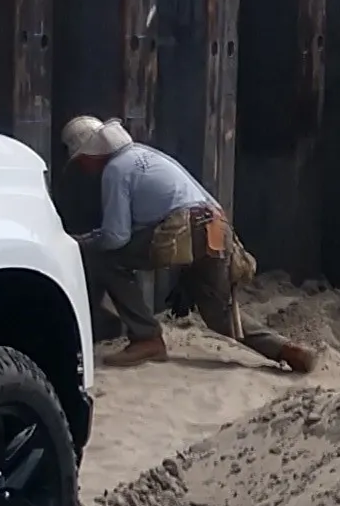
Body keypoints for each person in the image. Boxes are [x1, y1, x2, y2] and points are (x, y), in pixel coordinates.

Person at [59, 117, 314, 373]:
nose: (81, 166)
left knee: (103, 258)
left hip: (186, 230)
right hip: (215, 227)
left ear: (90, 154)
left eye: (80, 160)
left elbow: (116, 237)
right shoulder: (145, 155)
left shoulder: (115, 170)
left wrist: (79, 242)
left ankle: (146, 337)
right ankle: (287, 350)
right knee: (218, 314)